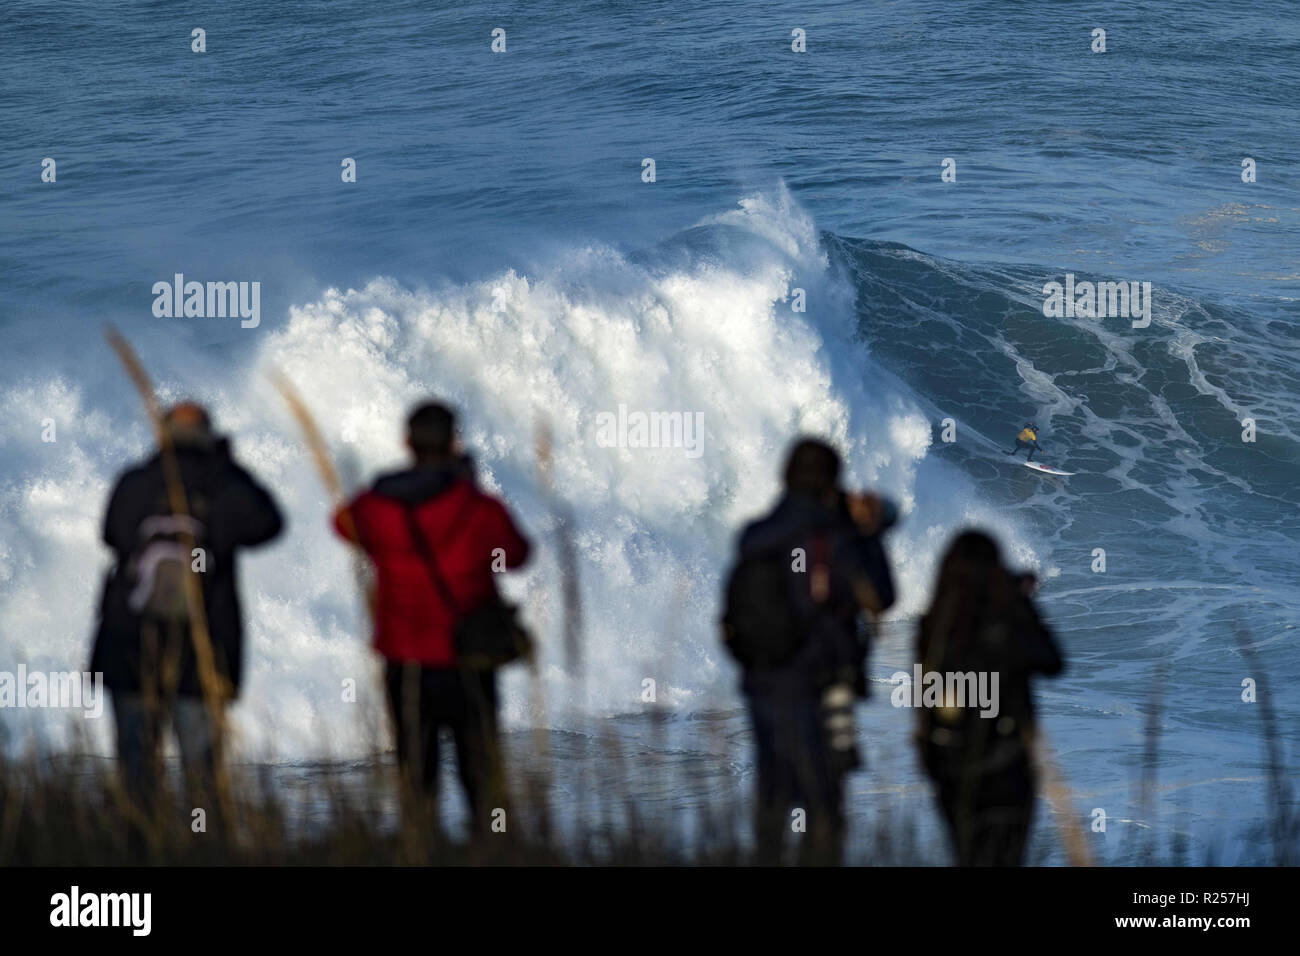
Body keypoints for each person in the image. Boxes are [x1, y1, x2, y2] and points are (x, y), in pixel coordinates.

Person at [333, 401, 530, 836]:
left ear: (407, 443)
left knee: (416, 774)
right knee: (480, 774)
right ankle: (491, 852)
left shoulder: (380, 505)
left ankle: (421, 851)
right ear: (454, 442)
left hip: (406, 661)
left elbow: (344, 524)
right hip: (468, 660)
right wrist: (467, 488)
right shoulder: (476, 507)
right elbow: (516, 554)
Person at [90, 402, 284, 824]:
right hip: (202, 655)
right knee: (202, 781)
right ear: (208, 438)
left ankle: (136, 852)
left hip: (130, 649)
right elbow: (268, 523)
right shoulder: (224, 486)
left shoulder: (136, 483)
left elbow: (111, 533)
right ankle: (201, 848)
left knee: (136, 774)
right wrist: (227, 467)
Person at [722, 437, 896, 864]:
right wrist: (870, 535)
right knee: (822, 802)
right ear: (831, 481)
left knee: (773, 792)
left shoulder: (756, 535)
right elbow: (879, 597)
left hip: (761, 682)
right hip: (815, 685)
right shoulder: (833, 537)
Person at [915, 530, 1064, 866]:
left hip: (949, 772)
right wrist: (1021, 602)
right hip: (1005, 769)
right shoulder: (1005, 625)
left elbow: (926, 702)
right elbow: (1052, 661)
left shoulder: (930, 627)